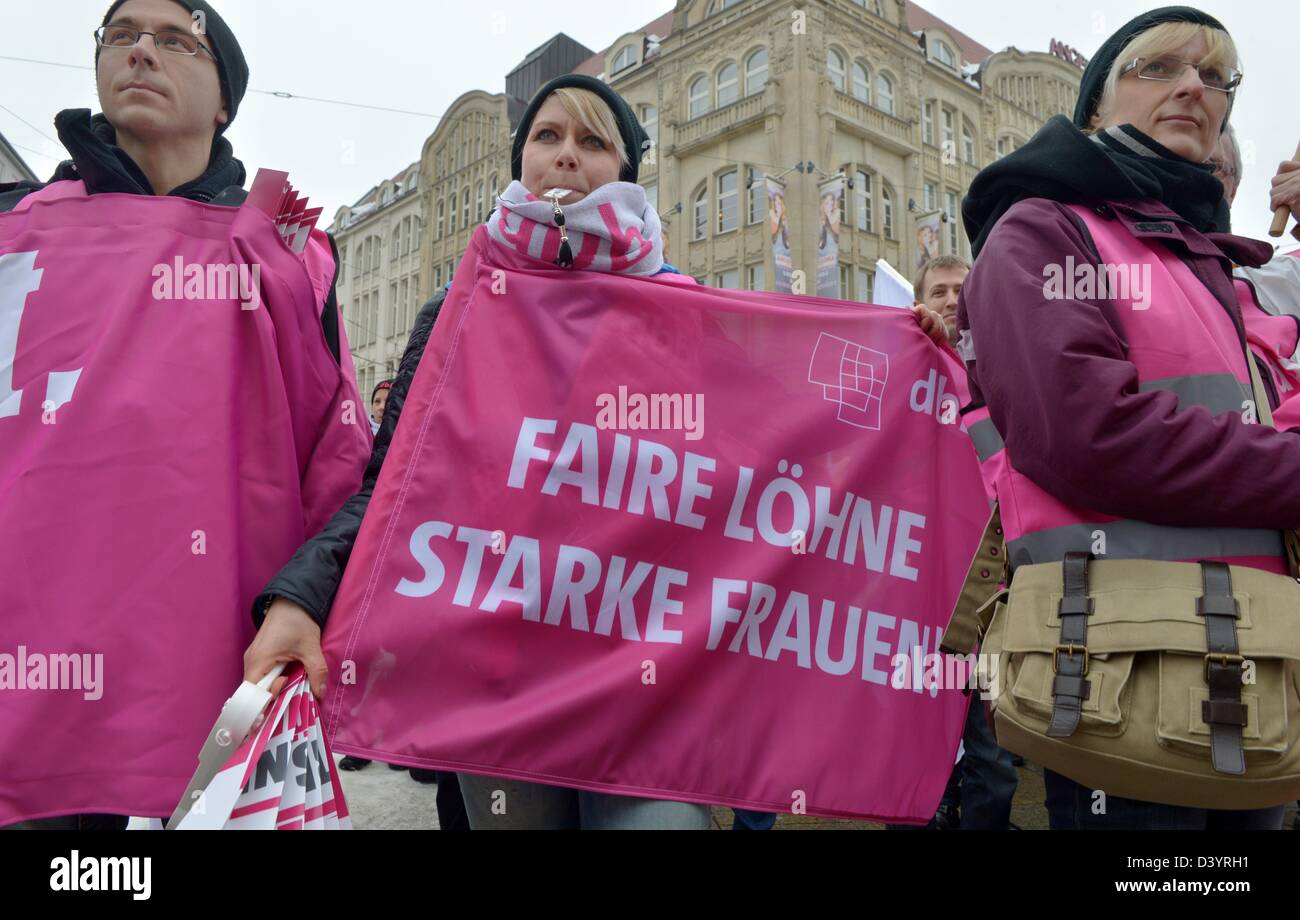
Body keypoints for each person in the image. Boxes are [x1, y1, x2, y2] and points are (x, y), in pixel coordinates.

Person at [244, 75, 718, 830]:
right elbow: (395, 486)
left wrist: (912, 364)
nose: (566, 156)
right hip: (495, 678)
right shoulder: (461, 305)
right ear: (521, 159)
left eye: (594, 142)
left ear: (628, 174)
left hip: (641, 672)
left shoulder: (686, 310)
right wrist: (300, 596)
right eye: (548, 137)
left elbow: (766, 473)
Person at [0, 0, 369, 829]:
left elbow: (342, 469)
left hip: (204, 703)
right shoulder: (11, 232)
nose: (141, 51)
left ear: (225, 97)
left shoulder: (287, 254)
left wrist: (303, 602)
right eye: (122, 36)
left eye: (174, 41)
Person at [958, 6, 1300, 830]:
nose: (1192, 87)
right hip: (1123, 673)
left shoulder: (1204, 264)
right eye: (1157, 68)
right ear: (1093, 111)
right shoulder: (1043, 230)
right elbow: (1086, 436)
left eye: (1214, 77)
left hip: (1258, 665)